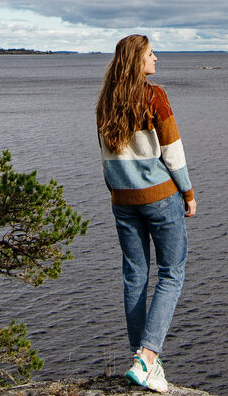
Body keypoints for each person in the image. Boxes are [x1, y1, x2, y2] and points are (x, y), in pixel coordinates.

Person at [96, 35, 196, 394]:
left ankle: (140, 359)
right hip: (159, 197)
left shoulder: (105, 102)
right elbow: (173, 151)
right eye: (151, 54)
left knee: (135, 275)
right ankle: (148, 359)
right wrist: (188, 192)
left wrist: (116, 192)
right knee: (172, 272)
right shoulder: (154, 95)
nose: (157, 58)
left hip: (123, 201)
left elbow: (107, 159)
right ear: (137, 60)